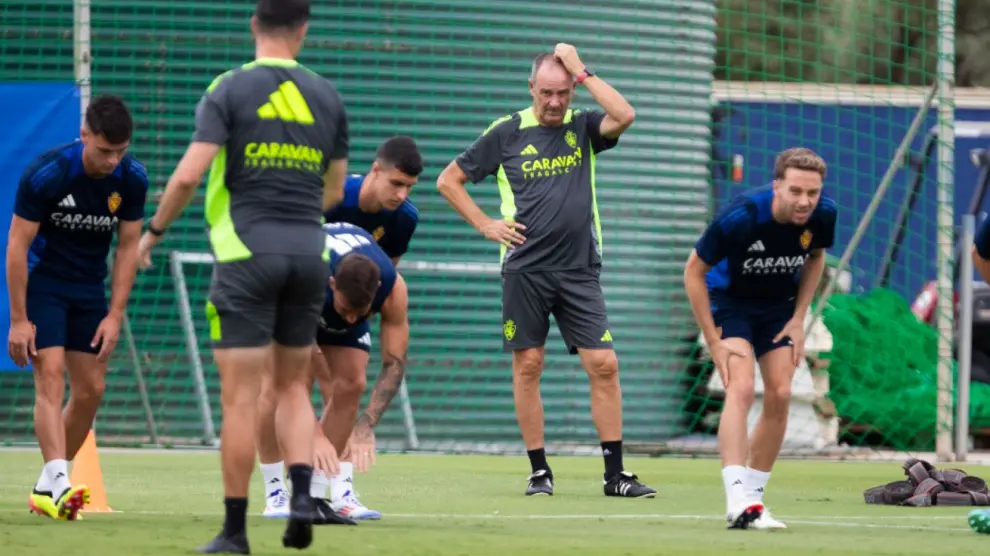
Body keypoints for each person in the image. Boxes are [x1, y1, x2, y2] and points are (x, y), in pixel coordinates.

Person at [135, 0, 350, 551]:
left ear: (255, 25)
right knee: (293, 387)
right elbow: (331, 191)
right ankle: (303, 496)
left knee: (240, 398)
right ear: (303, 30)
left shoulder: (228, 89)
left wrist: (153, 232)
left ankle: (234, 531)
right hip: (308, 254)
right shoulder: (327, 96)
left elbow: (187, 177)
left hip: (246, 254)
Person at [436, 43, 655, 498]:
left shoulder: (583, 125)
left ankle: (615, 476)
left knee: (604, 365)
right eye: (546, 93)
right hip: (525, 270)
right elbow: (447, 180)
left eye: (564, 92)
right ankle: (539, 471)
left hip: (579, 269)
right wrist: (484, 224)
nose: (555, 102)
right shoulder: (507, 131)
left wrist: (581, 70)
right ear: (531, 88)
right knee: (529, 366)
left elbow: (626, 114)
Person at [258, 136, 422, 521]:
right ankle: (276, 491)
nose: (401, 195)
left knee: (350, 384)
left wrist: (366, 424)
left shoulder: (403, 225)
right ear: (375, 171)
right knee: (279, 387)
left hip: (347, 294)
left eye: (409, 187)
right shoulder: (327, 196)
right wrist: (313, 434)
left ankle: (332, 490)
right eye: (395, 184)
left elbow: (384, 281)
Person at [6, 94, 147, 522]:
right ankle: (60, 481)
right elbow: (16, 245)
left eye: (120, 152)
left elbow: (127, 249)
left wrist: (114, 314)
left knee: (91, 391)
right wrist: (18, 320)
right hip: (45, 285)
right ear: (84, 135)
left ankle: (48, 487)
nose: (112, 162)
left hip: (89, 290)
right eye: (105, 151)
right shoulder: (49, 173)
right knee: (50, 377)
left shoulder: (132, 178)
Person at [682, 147, 837, 530]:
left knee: (781, 392)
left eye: (812, 193)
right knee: (741, 387)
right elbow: (692, 273)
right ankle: (735, 497)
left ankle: (753, 500)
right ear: (777, 186)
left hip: (777, 308)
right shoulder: (741, 216)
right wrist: (712, 340)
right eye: (796, 191)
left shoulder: (824, 214)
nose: (805, 201)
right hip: (729, 302)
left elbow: (816, 258)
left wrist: (800, 319)